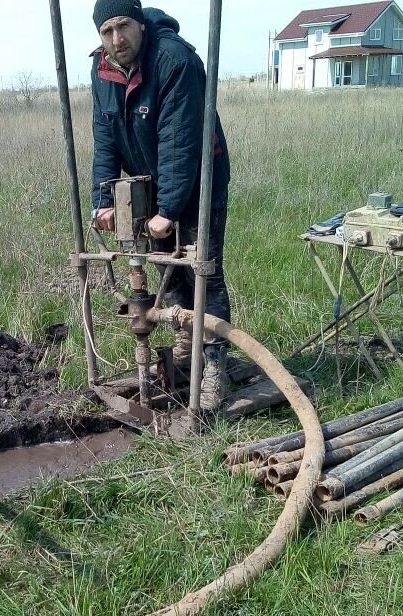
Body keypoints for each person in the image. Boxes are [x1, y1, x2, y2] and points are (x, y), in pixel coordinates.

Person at [89, 0, 232, 411]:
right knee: (166, 269)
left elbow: (178, 141)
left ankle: (213, 370)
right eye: (107, 31)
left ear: (140, 24)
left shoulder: (174, 60)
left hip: (201, 179)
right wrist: (102, 202)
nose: (118, 39)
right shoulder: (102, 71)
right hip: (150, 184)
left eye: (124, 26)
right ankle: (188, 343)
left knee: (204, 274)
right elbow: (105, 140)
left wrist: (167, 210)